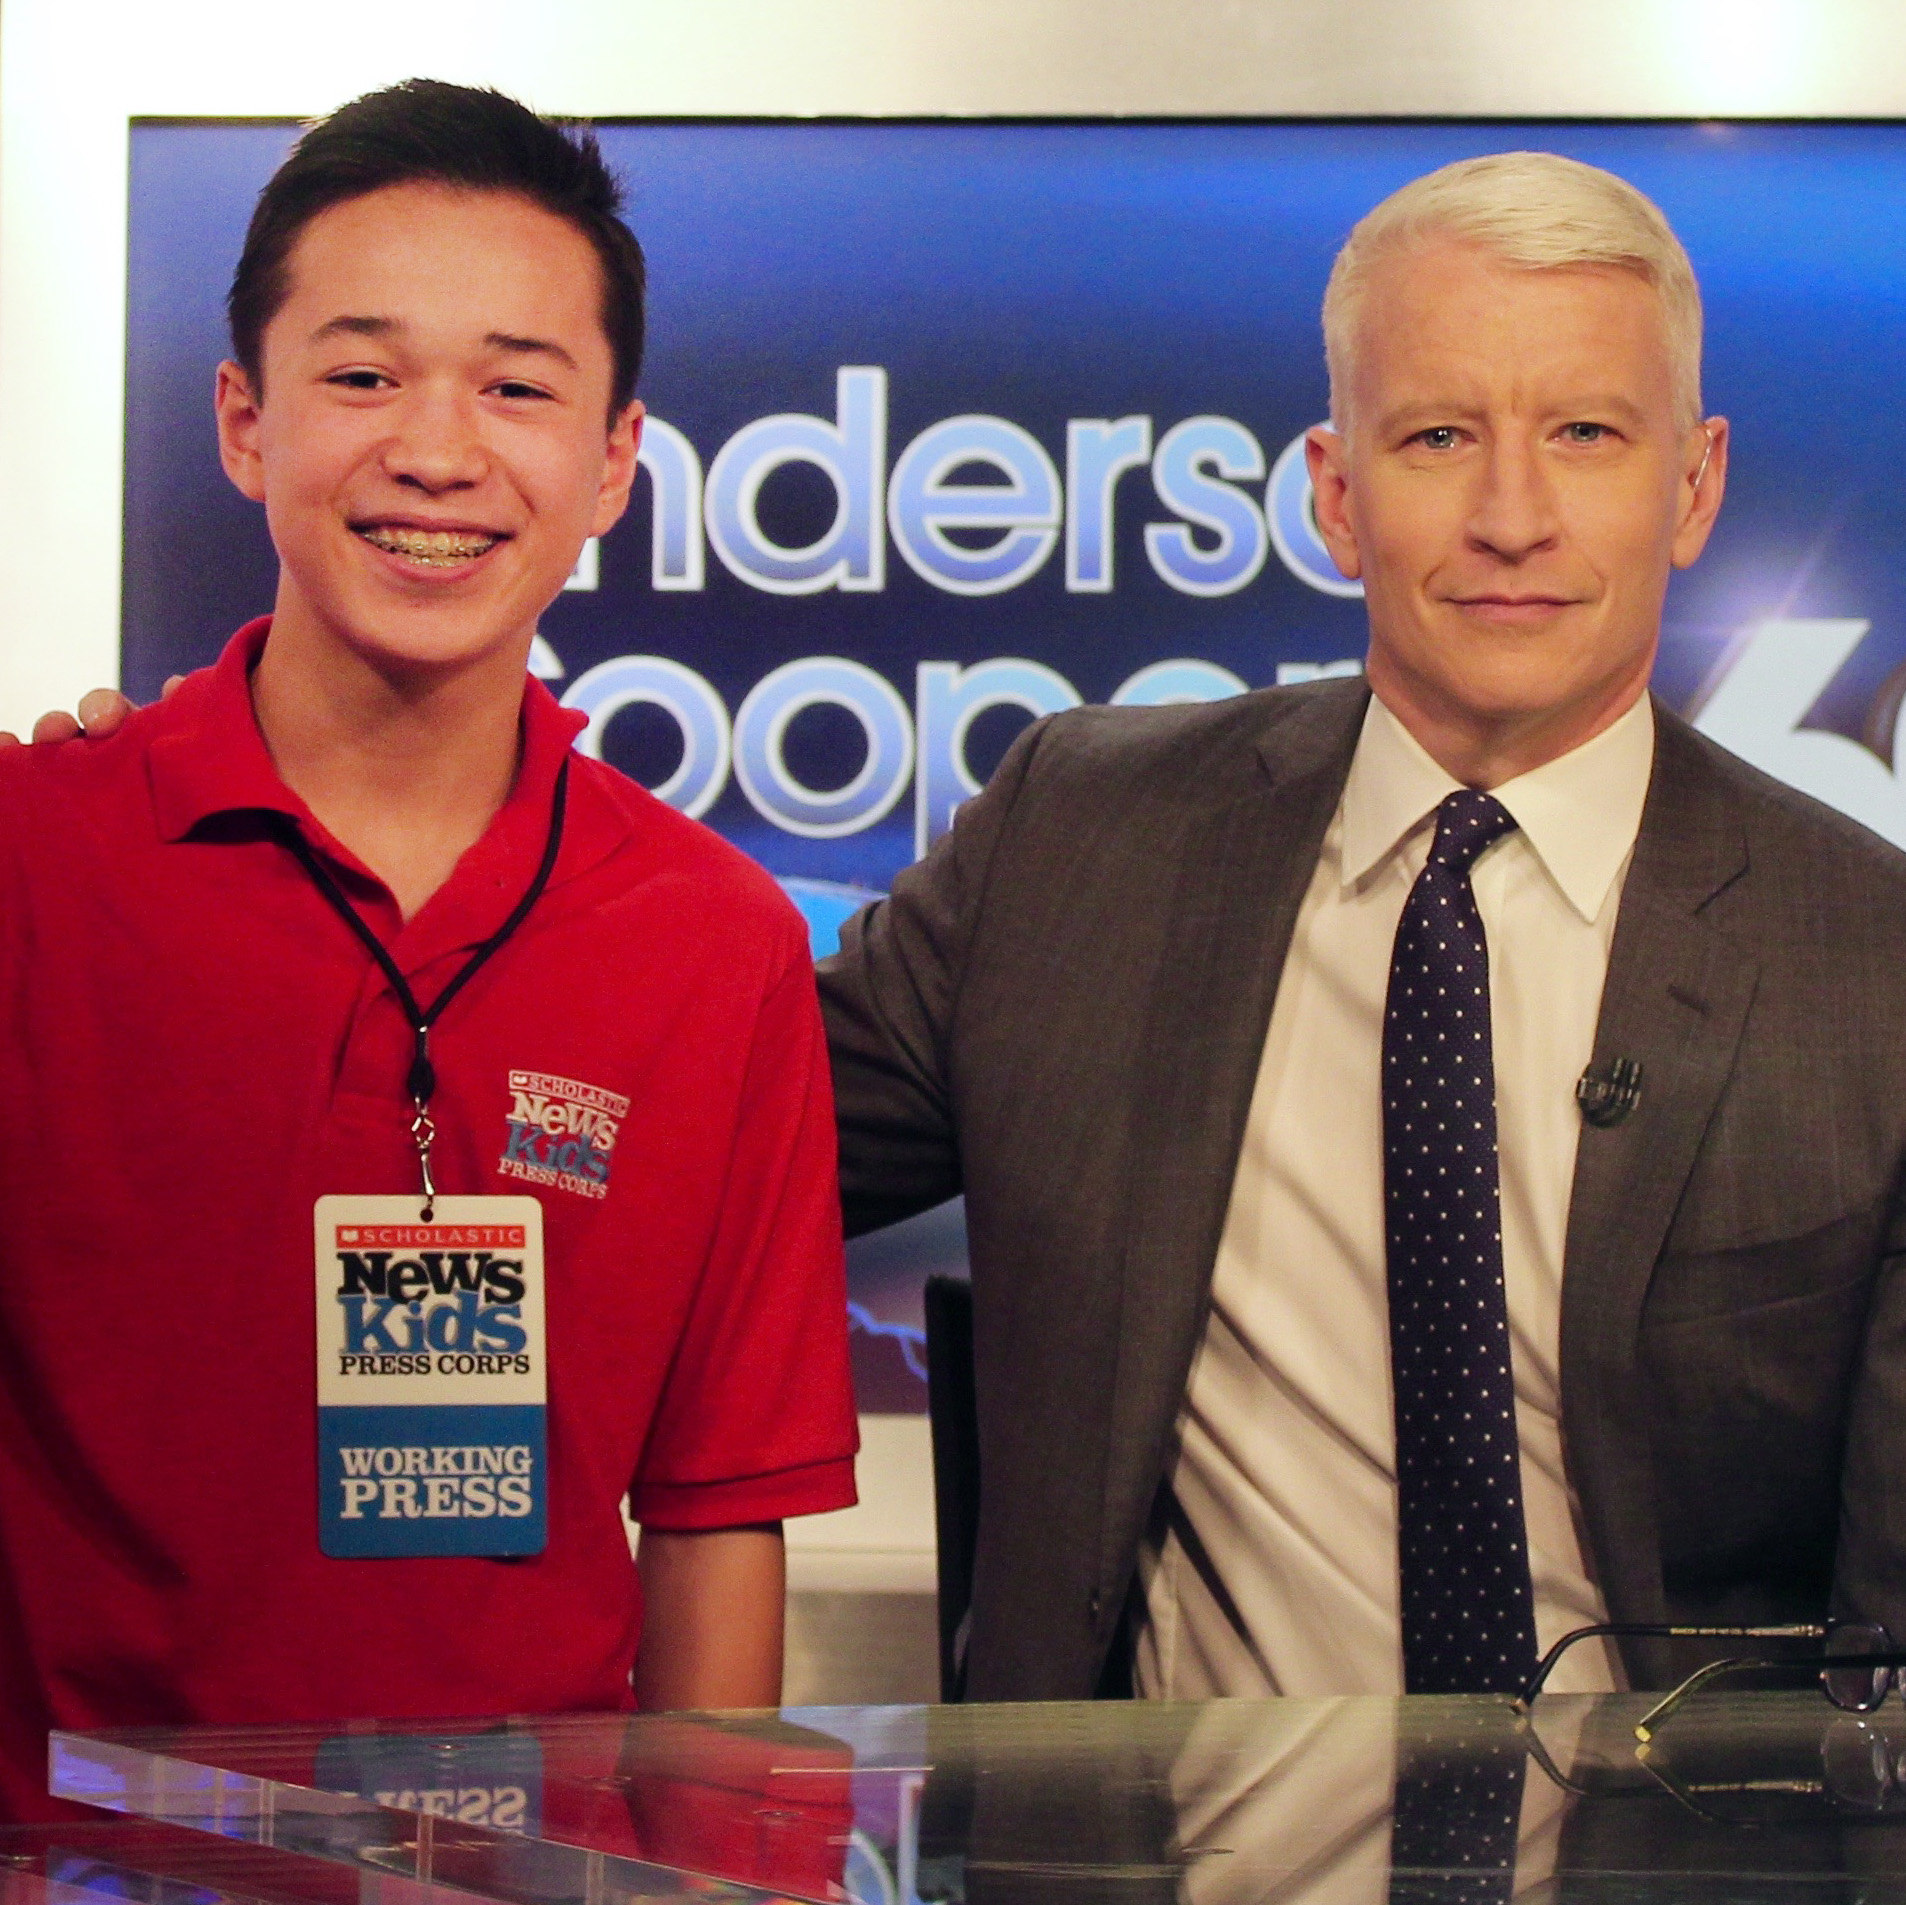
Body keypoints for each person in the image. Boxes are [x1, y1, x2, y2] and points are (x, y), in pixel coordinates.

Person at [819, 152, 1906, 1702]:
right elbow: (703, 1140)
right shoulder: (1077, 841)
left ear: (1692, 484)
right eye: (1438, 435)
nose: (1510, 517)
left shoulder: (1873, 968)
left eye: (1585, 433)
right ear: (1335, 491)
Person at [0, 80, 856, 1822]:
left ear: (615, 458)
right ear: (243, 421)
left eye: (518, 385)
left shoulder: (715, 940)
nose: (439, 451)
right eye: (364, 374)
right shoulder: (35, 859)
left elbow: (714, 1517)